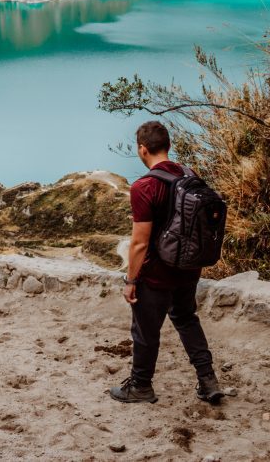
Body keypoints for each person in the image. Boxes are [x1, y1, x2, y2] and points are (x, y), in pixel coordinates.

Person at [109, 120, 225, 405]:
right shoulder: (189, 175)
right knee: (186, 319)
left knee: (145, 330)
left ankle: (141, 386)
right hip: (188, 268)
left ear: (142, 149)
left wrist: (131, 280)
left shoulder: (144, 187)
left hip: (156, 274)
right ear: (168, 146)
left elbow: (139, 243)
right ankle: (208, 381)